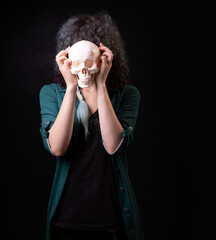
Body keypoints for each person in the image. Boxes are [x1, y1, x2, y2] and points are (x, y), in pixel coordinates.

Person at [39, 12, 143, 240]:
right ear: (67, 60)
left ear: (104, 59)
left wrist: (102, 86)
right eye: (78, 63)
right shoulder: (51, 94)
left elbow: (114, 145)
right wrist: (69, 89)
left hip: (111, 223)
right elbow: (56, 148)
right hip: (65, 221)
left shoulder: (127, 95)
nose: (84, 71)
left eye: (90, 63)